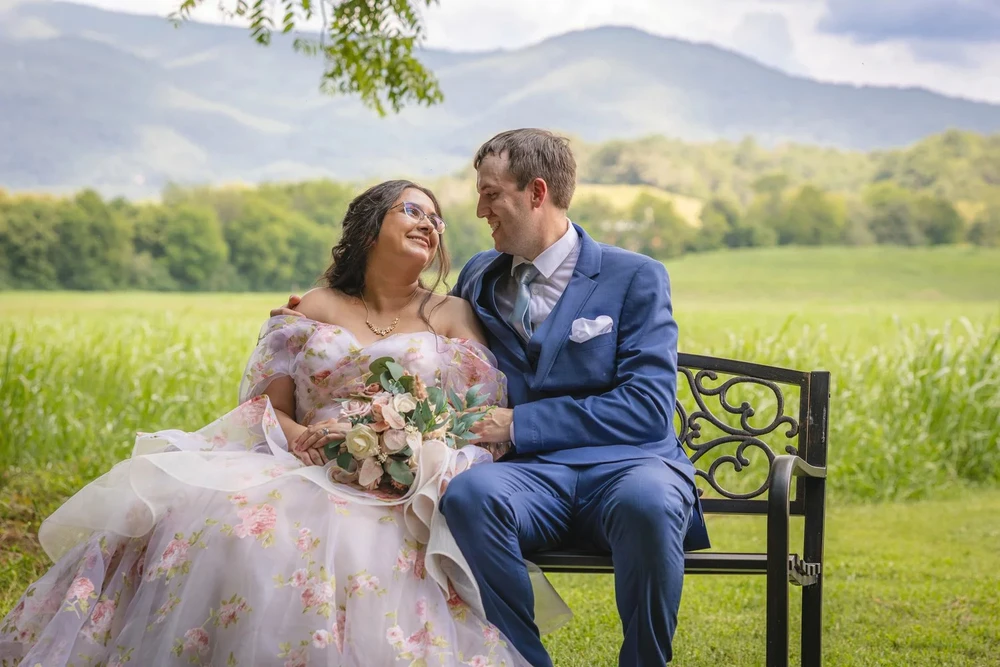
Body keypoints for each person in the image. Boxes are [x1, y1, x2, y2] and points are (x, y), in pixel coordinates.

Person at [0, 180, 537, 667]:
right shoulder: (315, 306)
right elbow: (264, 406)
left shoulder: (449, 314)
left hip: (399, 477)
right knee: (219, 522)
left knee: (349, 543)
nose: (430, 224)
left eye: (437, 220)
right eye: (414, 210)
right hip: (298, 459)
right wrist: (303, 436)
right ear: (372, 226)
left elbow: (473, 414)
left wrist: (392, 443)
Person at [274, 129, 711, 667]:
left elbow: (645, 408)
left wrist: (517, 423)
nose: (479, 209)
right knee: (469, 495)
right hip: (529, 479)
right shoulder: (480, 275)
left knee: (648, 504)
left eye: (491, 194)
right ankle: (525, 660)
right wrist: (316, 317)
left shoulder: (635, 276)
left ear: (537, 192)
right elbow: (424, 336)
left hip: (627, 467)